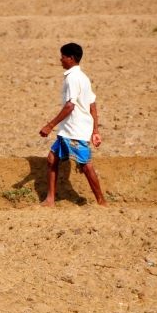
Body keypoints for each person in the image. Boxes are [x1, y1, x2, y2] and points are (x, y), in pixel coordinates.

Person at [39, 42, 107, 206]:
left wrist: (50, 125)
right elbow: (92, 105)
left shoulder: (73, 78)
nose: (60, 60)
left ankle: (101, 201)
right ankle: (50, 199)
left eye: (62, 56)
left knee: (85, 166)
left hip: (75, 130)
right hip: (68, 130)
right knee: (51, 159)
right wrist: (95, 130)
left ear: (70, 58)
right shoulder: (83, 77)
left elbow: (70, 105)